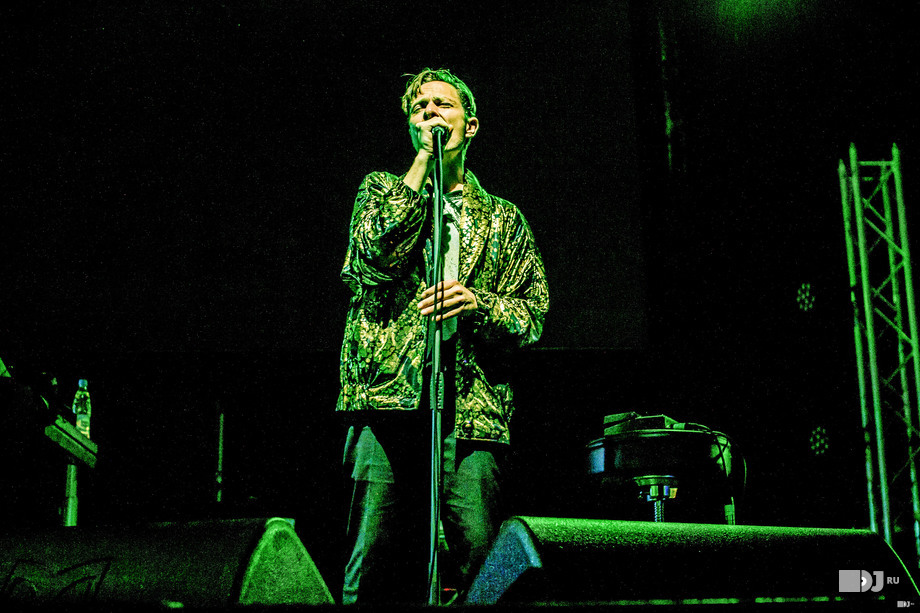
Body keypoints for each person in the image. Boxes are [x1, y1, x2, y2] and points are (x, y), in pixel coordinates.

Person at [336, 67, 549, 605]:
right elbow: (372, 259)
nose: (430, 111)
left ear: (470, 125)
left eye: (443, 104)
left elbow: (532, 315)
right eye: (420, 107)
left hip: (472, 412)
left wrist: (479, 305)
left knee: (480, 559)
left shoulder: (503, 220)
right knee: (371, 558)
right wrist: (422, 167)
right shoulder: (380, 191)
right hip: (387, 403)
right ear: (412, 126)